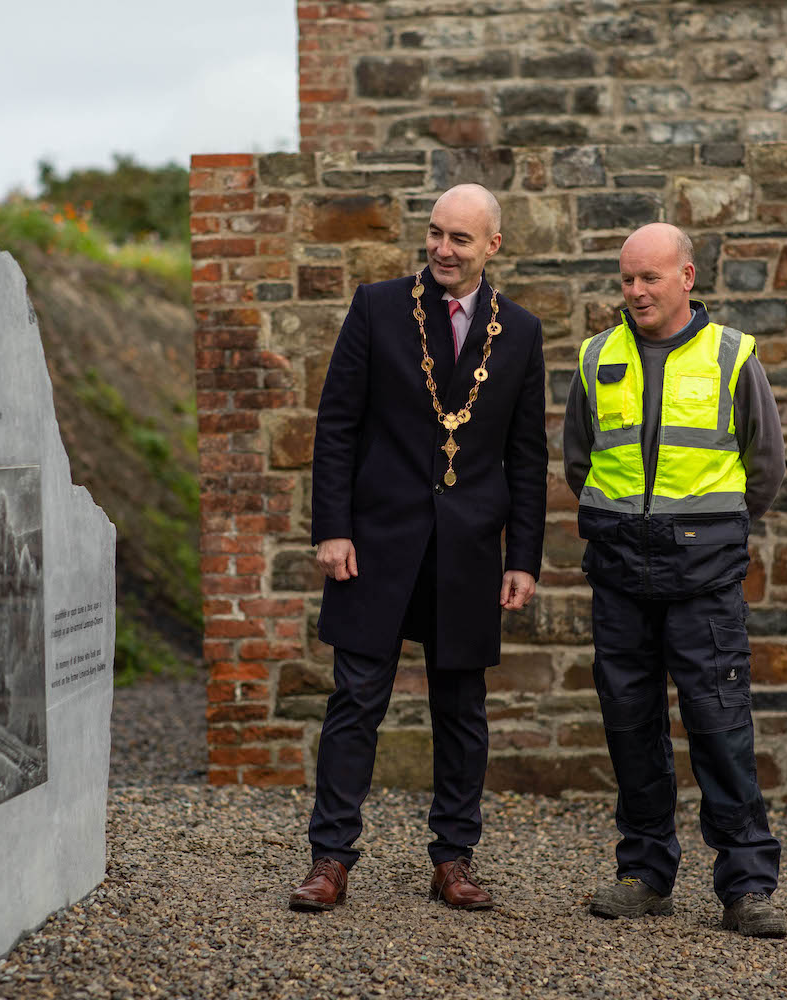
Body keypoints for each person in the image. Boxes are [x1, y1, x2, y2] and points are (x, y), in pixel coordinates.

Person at [289, 183, 548, 913]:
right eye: (435, 233)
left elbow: (528, 455)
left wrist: (523, 556)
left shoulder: (521, 332)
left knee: (461, 711)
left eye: (460, 238)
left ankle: (454, 860)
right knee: (356, 701)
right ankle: (330, 858)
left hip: (468, 550)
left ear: (492, 246)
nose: (441, 248)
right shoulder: (376, 307)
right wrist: (331, 527)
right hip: (373, 540)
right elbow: (336, 422)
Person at [562, 222, 787, 938]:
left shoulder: (731, 356)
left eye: (649, 278)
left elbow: (766, 468)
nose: (634, 292)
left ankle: (746, 887)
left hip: (704, 580)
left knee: (721, 732)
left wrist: (709, 530)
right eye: (627, 279)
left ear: (686, 278)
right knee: (631, 730)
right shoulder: (598, 356)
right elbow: (580, 463)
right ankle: (645, 874)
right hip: (621, 574)